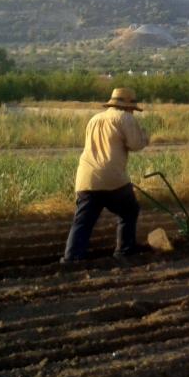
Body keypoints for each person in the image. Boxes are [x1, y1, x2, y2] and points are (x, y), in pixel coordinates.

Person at [61, 87, 149, 264]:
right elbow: (136, 144)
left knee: (83, 221)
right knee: (129, 211)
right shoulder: (125, 118)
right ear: (128, 106)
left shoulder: (95, 119)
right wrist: (146, 137)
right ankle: (124, 251)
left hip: (86, 178)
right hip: (112, 178)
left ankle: (71, 258)